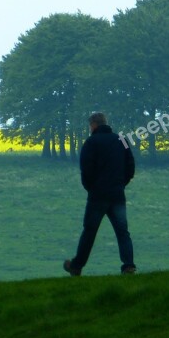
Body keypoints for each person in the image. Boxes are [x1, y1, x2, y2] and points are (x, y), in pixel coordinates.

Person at [65, 112, 137, 276]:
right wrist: (120, 184)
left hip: (97, 196)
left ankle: (76, 266)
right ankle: (129, 266)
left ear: (94, 125)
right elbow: (130, 167)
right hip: (117, 194)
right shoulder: (122, 140)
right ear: (106, 123)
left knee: (89, 231)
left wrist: (91, 188)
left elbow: (86, 170)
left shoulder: (90, 143)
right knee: (122, 231)